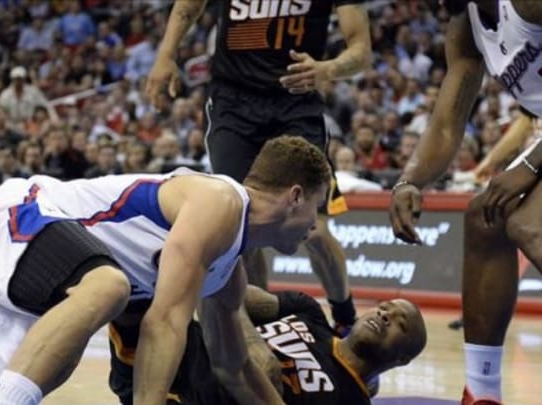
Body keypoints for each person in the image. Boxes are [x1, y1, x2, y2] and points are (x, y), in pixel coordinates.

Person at [0, 135, 328, 405]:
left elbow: (234, 367)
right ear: (295, 196)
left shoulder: (228, 273)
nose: (315, 229)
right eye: (318, 211)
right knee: (109, 286)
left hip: (32, 278)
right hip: (19, 219)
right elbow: (164, 322)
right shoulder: (220, 199)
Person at [146, 0, 372, 338]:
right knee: (241, 229)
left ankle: (345, 318)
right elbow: (186, 8)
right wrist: (166, 55)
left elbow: (361, 50)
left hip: (296, 103)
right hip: (233, 105)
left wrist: (328, 69)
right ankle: (262, 329)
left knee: (316, 232)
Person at [388, 2, 542, 404]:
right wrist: (409, 181)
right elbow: (445, 124)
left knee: (529, 224)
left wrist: (528, 164)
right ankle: (481, 391)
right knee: (485, 217)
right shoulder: (465, 28)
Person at [107, 286, 427, 405]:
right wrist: (252, 346)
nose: (385, 315)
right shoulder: (309, 312)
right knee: (127, 283)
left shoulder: (351, 401)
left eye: (400, 322)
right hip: (170, 348)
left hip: (190, 394)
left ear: (402, 359)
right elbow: (229, 292)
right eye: (385, 307)